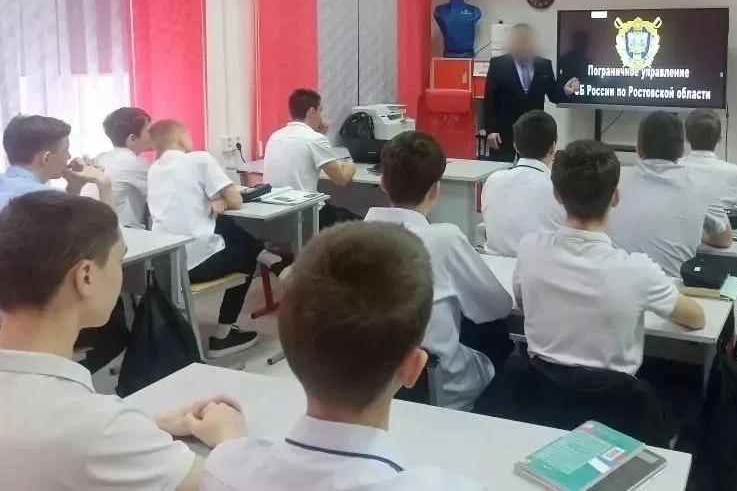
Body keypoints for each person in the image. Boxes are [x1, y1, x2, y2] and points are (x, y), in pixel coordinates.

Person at [201, 222, 485, 490]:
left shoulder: (222, 471)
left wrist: (231, 444)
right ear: (413, 368)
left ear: (289, 348)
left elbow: (235, 466)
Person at [0, 192, 247, 491]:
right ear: (86, 276)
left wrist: (147, 427)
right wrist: (231, 439)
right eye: (120, 260)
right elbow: (226, 485)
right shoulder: (91, 427)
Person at [514, 140, 705, 377]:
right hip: (615, 398)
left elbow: (522, 303)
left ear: (557, 195)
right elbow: (697, 319)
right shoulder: (638, 270)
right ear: (615, 197)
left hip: (541, 392)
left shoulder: (529, 250)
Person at [364, 132, 513, 411]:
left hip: (369, 385)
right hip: (439, 387)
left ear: (383, 182)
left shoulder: (350, 240)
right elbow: (498, 307)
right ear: (435, 190)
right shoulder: (445, 239)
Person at [147, 119, 292, 358]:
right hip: (194, 266)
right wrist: (222, 200)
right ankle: (223, 337)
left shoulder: (154, 170)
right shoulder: (199, 159)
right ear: (181, 137)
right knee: (245, 255)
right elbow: (236, 200)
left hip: (166, 265)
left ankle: (272, 260)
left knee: (224, 224)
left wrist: (215, 202)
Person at [608, 112, 732, 278]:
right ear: (682, 149)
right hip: (671, 290)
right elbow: (724, 239)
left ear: (638, 148)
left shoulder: (612, 180)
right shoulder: (701, 185)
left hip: (614, 285)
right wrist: (696, 233)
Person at [483, 23, 581, 162]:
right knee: (501, 168)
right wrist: (490, 131)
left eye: (525, 40)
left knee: (533, 169)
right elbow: (490, 100)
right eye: (518, 40)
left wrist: (566, 91)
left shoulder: (543, 65)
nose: (522, 44)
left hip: (534, 132)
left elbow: (553, 95)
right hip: (504, 132)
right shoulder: (498, 64)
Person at [264, 88, 357, 227]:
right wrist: (351, 165)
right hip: (306, 215)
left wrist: (319, 135)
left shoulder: (275, 136)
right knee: (361, 223)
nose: (321, 116)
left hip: (277, 215)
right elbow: (341, 179)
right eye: (320, 111)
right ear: (312, 112)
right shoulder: (315, 139)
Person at [480, 110, 564, 256]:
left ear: (515, 146)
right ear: (552, 148)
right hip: (542, 267)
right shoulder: (561, 188)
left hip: (494, 265)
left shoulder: (493, 180)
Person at [679, 108, 737, 225]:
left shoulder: (672, 168)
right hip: (718, 235)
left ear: (686, 138)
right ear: (719, 138)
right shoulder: (732, 173)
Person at [0, 114, 112, 210]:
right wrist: (103, 182)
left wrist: (74, 186)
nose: (69, 156)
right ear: (46, 158)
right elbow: (107, 229)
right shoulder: (48, 199)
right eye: (65, 150)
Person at [95, 107, 154, 228]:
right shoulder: (133, 164)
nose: (153, 135)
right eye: (149, 131)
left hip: (98, 228)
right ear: (132, 139)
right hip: (122, 231)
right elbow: (165, 189)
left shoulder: (101, 158)